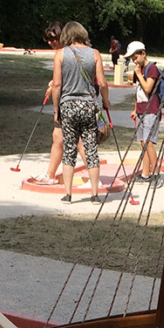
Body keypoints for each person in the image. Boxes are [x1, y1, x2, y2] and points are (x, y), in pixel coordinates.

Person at [51, 21, 111, 204]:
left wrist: (56, 110)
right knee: (91, 149)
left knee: (69, 150)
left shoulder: (61, 54)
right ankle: (94, 194)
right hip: (88, 106)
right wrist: (106, 102)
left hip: (68, 105)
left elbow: (57, 85)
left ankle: (68, 194)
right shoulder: (95, 54)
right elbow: (101, 82)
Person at [32, 22, 87, 185]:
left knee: (79, 140)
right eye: (47, 39)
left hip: (72, 101)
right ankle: (50, 174)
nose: (50, 42)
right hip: (67, 100)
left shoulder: (67, 53)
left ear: (61, 36)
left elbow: (69, 78)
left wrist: (54, 88)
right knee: (58, 138)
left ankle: (94, 176)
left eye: (53, 38)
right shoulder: (62, 53)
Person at [123, 41, 163, 188]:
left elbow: (147, 87)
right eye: (132, 59)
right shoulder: (138, 70)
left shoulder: (152, 69)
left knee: (148, 142)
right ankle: (145, 174)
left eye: (135, 57)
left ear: (143, 54)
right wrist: (135, 109)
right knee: (143, 143)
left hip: (151, 109)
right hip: (141, 109)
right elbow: (138, 90)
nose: (134, 61)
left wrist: (139, 73)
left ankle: (156, 174)